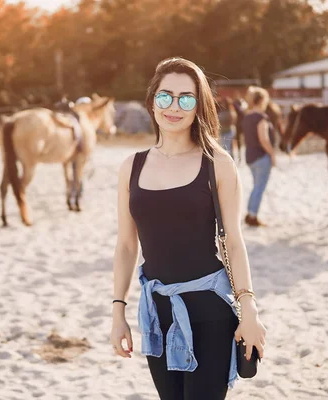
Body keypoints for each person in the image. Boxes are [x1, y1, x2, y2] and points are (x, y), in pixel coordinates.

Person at [110, 57, 267, 400]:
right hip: (155, 314)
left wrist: (250, 309)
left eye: (187, 98)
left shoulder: (218, 164)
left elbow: (235, 243)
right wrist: (118, 311)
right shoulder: (130, 167)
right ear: (152, 101)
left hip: (209, 313)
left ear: (199, 106)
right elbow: (125, 247)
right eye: (166, 96)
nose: (174, 107)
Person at [242, 87, 276, 227]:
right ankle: (253, 216)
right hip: (261, 157)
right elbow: (264, 139)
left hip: (250, 156)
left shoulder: (247, 116)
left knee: (255, 186)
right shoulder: (261, 118)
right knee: (259, 187)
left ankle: (250, 213)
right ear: (262, 100)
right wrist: (272, 154)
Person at [216, 96, 237, 161]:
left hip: (228, 131)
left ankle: (228, 161)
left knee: (227, 147)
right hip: (224, 131)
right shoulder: (222, 111)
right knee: (226, 147)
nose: (222, 104)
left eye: (223, 103)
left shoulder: (230, 112)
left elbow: (231, 121)